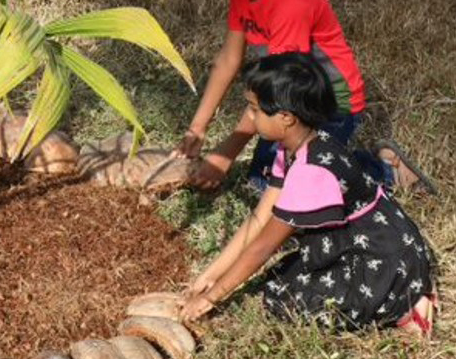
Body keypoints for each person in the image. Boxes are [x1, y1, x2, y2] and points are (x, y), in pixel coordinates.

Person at [175, 0, 421, 191]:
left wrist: (227, 151)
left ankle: (382, 169)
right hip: (290, 97)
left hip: (332, 102)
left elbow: (278, 87)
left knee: (296, 191)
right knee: (262, 180)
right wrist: (198, 128)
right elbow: (229, 59)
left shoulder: (291, 3)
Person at [180, 53, 436, 336]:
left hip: (384, 260)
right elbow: (258, 219)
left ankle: (404, 306)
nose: (249, 118)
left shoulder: (309, 173)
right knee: (279, 279)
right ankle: (400, 294)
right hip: (370, 241)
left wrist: (210, 298)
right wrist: (210, 275)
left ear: (286, 117)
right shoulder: (294, 146)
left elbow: (262, 248)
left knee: (286, 299)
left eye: (254, 110)